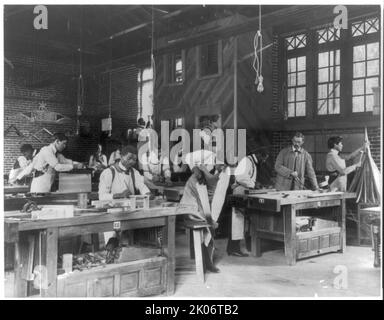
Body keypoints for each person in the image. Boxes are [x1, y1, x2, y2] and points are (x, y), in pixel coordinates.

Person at [179, 150, 230, 273]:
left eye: (223, 165)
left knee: (208, 226)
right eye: (220, 163)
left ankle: (207, 260)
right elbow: (188, 156)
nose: (221, 166)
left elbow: (218, 199)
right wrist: (195, 168)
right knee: (201, 220)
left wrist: (212, 219)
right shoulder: (206, 154)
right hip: (191, 194)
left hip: (205, 199)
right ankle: (206, 260)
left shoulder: (224, 175)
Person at [227, 151, 259, 257]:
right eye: (264, 158)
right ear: (260, 155)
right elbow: (240, 178)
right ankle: (233, 249)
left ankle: (235, 248)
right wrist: (253, 184)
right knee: (237, 221)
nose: (264, 161)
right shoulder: (247, 161)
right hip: (239, 192)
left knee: (241, 221)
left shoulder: (252, 162)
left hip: (243, 192)